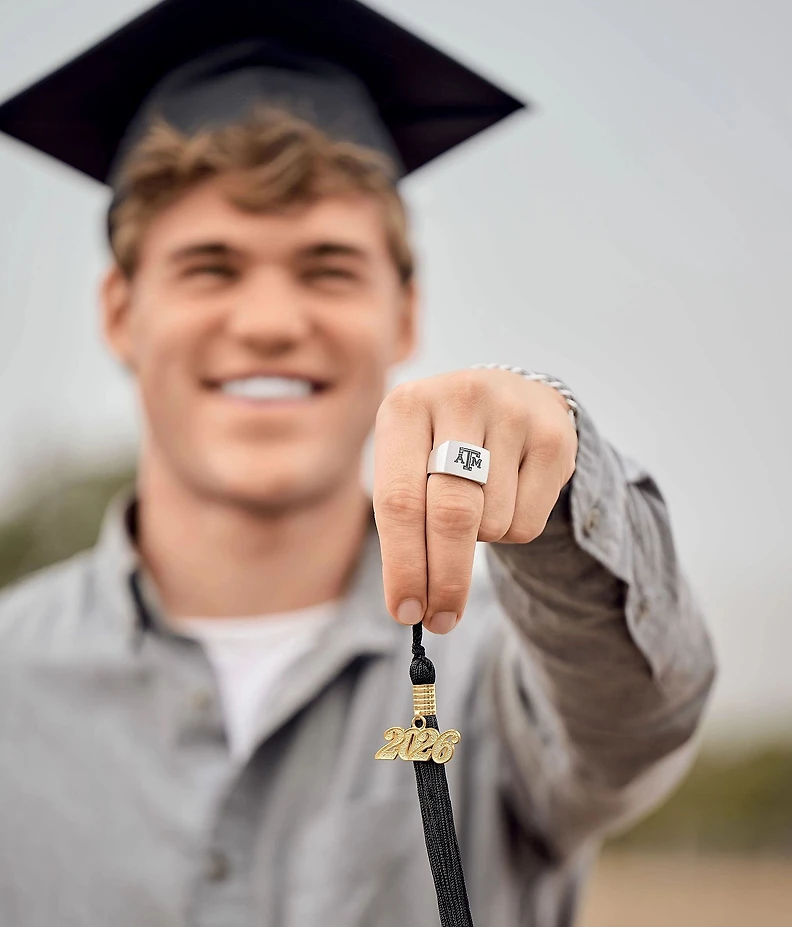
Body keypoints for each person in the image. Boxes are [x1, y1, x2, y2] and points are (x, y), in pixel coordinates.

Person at [0, 1, 715, 925]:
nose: (267, 322)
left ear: (405, 313)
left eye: (328, 267)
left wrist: (560, 479)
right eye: (210, 266)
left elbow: (643, 712)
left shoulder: (502, 666)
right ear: (118, 311)